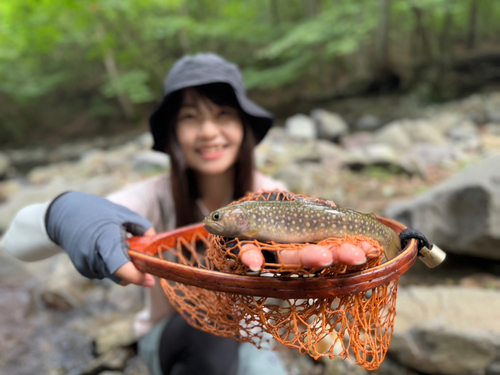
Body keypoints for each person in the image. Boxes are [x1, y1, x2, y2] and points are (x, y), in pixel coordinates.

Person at [2, 53, 376, 375]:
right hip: (173, 338)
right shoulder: (150, 197)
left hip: (254, 339)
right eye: (191, 117)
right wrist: (63, 214)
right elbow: (15, 241)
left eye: (223, 114)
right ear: (172, 132)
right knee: (208, 341)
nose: (209, 131)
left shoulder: (275, 196)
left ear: (243, 126)